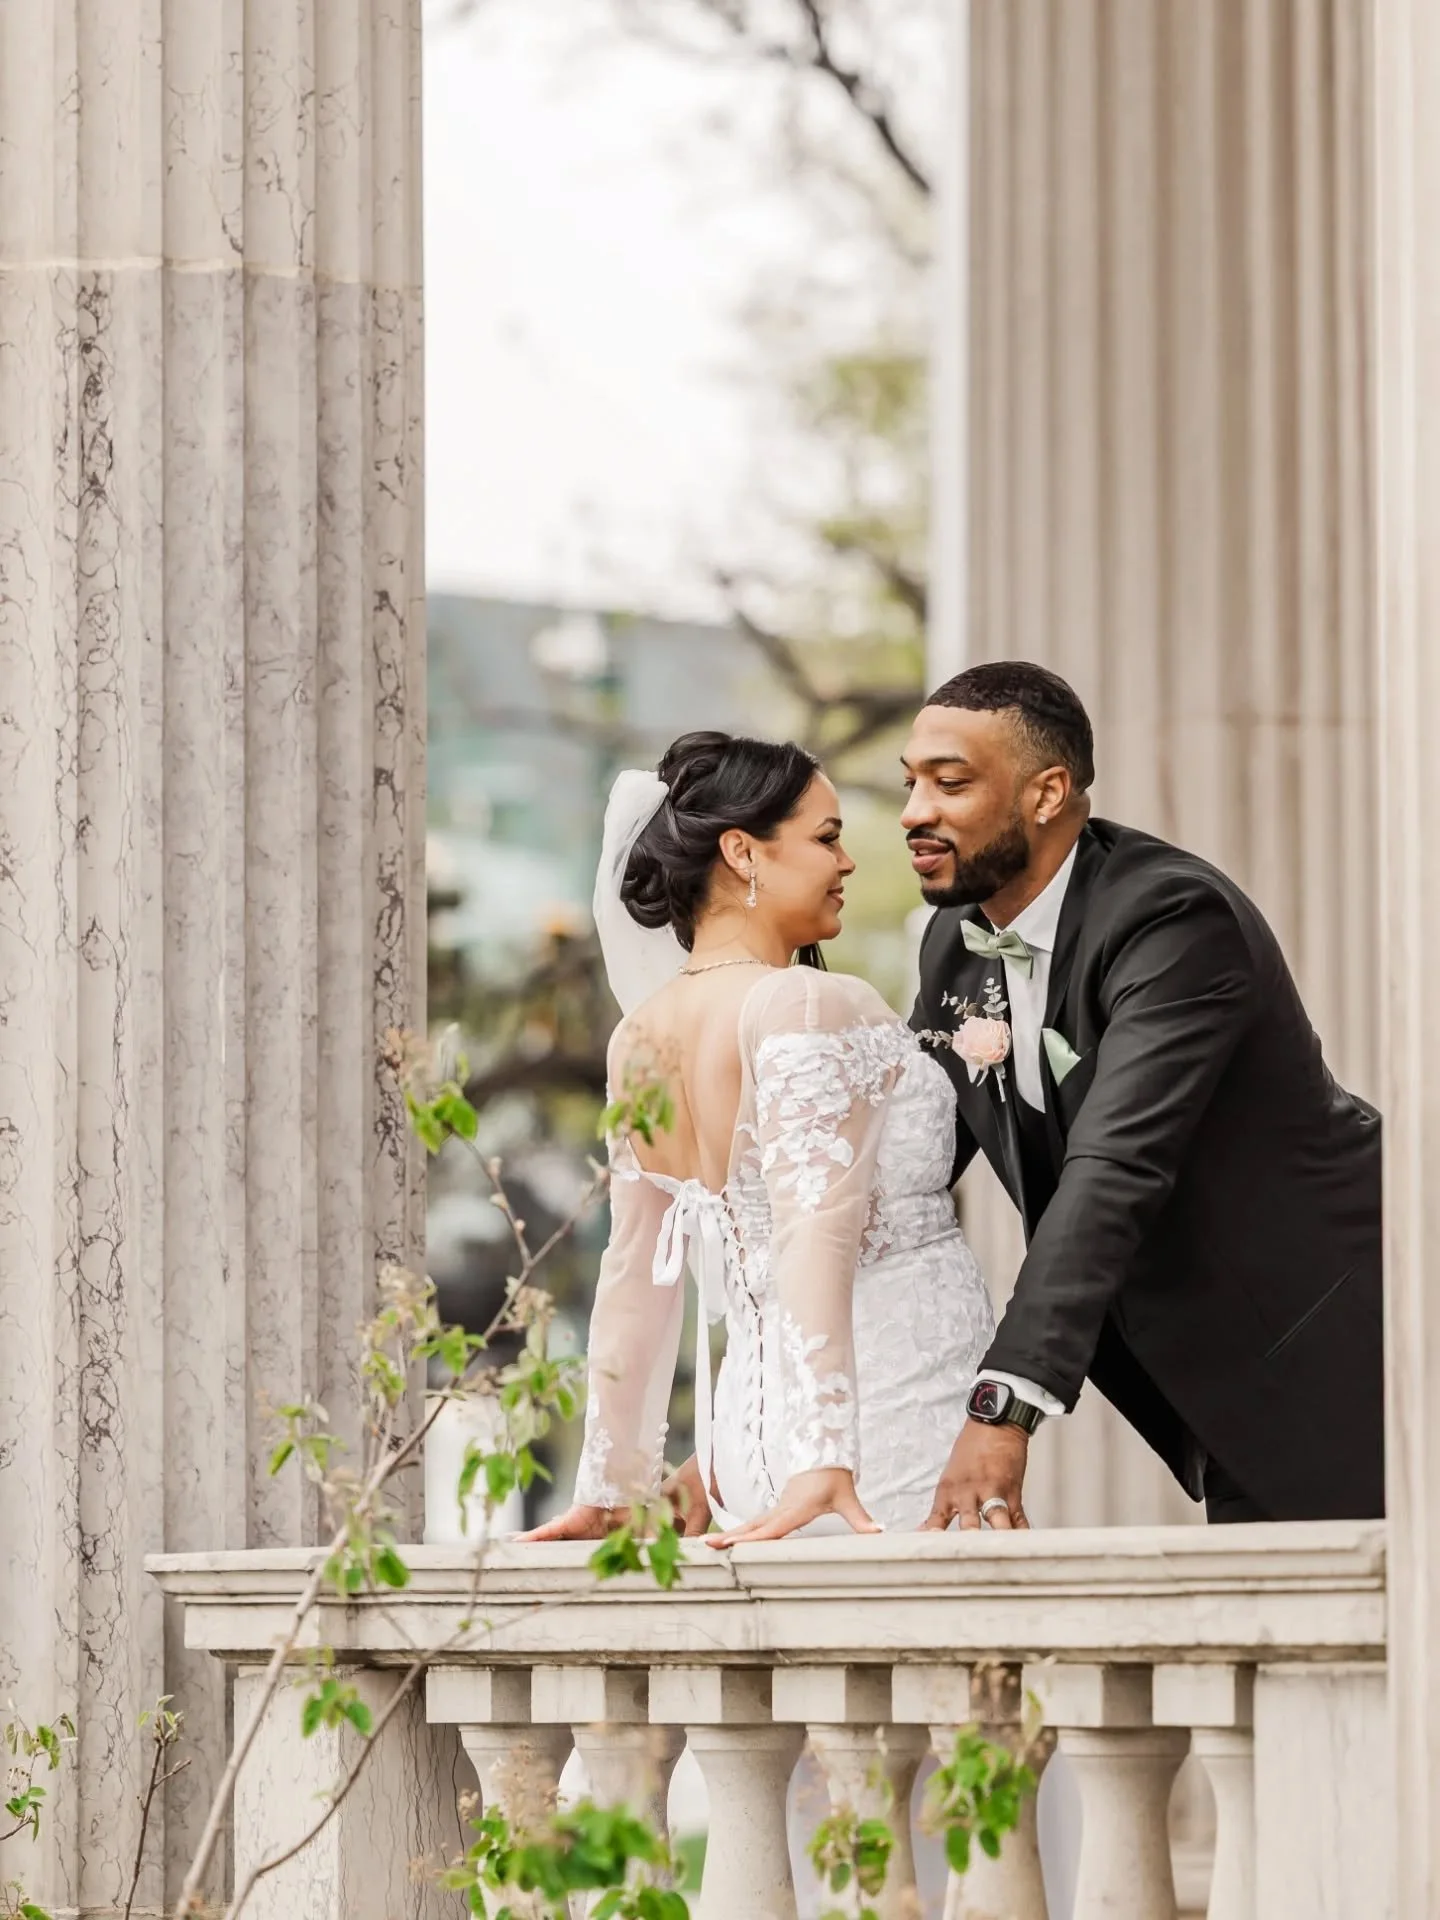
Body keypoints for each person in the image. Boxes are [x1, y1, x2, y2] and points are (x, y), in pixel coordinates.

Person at [905, 661, 1385, 1528]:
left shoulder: (1171, 919)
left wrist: (1003, 1407)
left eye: (950, 783)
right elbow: (910, 1158)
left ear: (1047, 793)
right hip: (1211, 1380)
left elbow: (1113, 1167)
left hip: (1347, 1348)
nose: (913, 813)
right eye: (910, 783)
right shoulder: (957, 944)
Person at [519, 730, 995, 1545]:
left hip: (750, 1436)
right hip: (885, 1421)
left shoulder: (641, 1033)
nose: (847, 862)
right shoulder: (804, 1003)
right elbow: (818, 1228)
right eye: (826, 838)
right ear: (742, 853)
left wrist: (614, 1481)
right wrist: (824, 1455)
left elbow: (636, 1270)